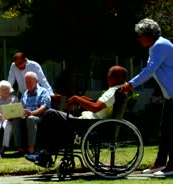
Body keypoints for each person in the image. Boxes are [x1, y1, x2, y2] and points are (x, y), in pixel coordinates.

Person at [26, 66, 129, 167]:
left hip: (88, 124)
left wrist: (76, 98)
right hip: (91, 123)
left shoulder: (113, 91)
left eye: (108, 76)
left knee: (50, 114)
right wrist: (84, 100)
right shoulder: (120, 90)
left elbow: (95, 107)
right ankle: (45, 155)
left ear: (112, 78)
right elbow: (100, 105)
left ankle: (40, 153)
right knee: (54, 122)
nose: (107, 79)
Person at [121, 18, 173, 176]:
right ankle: (160, 163)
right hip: (170, 96)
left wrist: (131, 84)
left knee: (170, 129)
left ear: (148, 34)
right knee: (166, 129)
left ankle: (170, 166)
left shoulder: (160, 46)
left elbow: (150, 70)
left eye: (140, 35)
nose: (139, 39)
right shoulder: (156, 46)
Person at [13, 71, 51, 156]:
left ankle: (31, 148)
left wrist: (32, 113)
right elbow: (21, 107)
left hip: (40, 117)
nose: (28, 83)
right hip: (26, 116)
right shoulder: (25, 93)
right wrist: (18, 112)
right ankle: (20, 148)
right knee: (15, 120)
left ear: (36, 81)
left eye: (30, 81)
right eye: (26, 81)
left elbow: (44, 106)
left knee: (30, 119)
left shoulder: (43, 91)